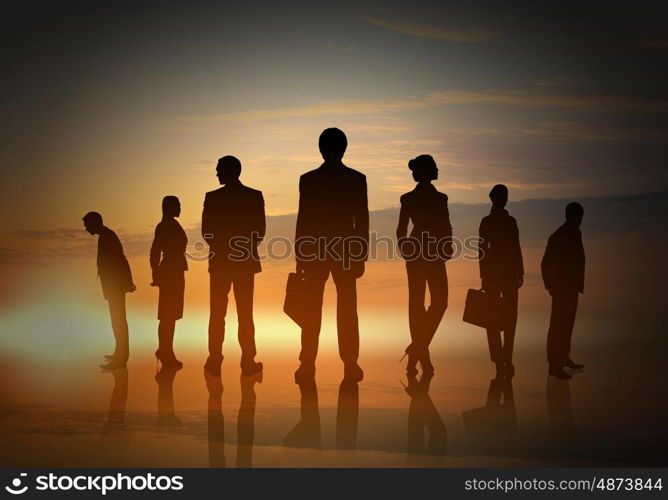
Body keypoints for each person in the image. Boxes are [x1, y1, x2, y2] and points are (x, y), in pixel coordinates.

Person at [293, 128, 368, 383]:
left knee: (312, 308)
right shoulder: (356, 179)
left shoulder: (309, 179)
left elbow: (302, 221)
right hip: (345, 252)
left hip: (316, 252)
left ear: (321, 149)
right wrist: (360, 255)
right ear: (344, 148)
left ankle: (308, 363)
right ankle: (349, 363)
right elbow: (362, 222)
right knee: (346, 308)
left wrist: (300, 257)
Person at [202, 156, 265, 377]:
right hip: (244, 263)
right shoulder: (254, 196)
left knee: (218, 313)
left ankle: (215, 359)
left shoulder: (212, 198)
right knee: (244, 314)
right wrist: (240, 249)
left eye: (219, 169)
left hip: (221, 263)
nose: (216, 173)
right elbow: (259, 232)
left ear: (230, 171)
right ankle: (248, 360)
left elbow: (207, 232)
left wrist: (224, 249)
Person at [396, 154, 452, 375]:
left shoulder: (437, 199)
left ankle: (417, 349)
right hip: (426, 253)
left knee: (429, 304)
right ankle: (422, 357)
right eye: (435, 167)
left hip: (428, 253)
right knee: (421, 304)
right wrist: (406, 249)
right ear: (429, 171)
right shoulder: (413, 199)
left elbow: (446, 227)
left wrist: (445, 248)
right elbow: (401, 230)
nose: (438, 170)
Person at [478, 184, 523, 376]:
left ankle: (505, 358)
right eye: (501, 196)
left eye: (505, 196)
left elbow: (516, 247)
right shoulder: (489, 222)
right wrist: (484, 275)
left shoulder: (509, 221)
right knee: (495, 317)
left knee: (507, 316)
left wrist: (519, 271)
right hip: (497, 275)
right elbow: (481, 250)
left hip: (506, 274)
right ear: (495, 199)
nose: (503, 199)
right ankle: (500, 359)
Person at [83, 211, 136, 370]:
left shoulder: (107, 236)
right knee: (117, 320)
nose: (86, 229)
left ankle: (121, 359)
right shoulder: (105, 236)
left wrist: (127, 282)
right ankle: (119, 353)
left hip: (116, 286)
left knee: (119, 320)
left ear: (95, 222)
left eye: (87, 225)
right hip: (114, 286)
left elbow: (120, 259)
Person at [541, 202, 585, 380]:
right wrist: (551, 286)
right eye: (577, 215)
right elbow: (545, 264)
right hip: (562, 289)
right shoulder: (558, 236)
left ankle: (563, 357)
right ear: (569, 215)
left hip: (572, 288)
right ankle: (554, 364)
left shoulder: (575, 232)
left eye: (581, 216)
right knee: (558, 326)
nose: (580, 219)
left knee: (567, 325)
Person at [150, 195, 188, 368]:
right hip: (170, 272)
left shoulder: (170, 224)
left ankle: (166, 351)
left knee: (171, 315)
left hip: (175, 271)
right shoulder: (164, 226)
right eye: (178, 205)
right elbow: (155, 251)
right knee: (167, 315)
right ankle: (165, 352)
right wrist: (156, 275)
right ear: (170, 207)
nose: (180, 207)